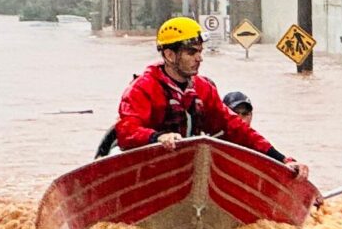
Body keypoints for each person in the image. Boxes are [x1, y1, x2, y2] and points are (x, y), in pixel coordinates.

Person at [112, 17, 302, 171]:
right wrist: (157, 137)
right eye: (191, 52)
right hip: (148, 166)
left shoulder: (204, 89)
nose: (199, 58)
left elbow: (235, 128)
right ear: (169, 55)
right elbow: (127, 131)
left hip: (189, 166)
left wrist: (282, 159)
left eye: (200, 52)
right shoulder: (142, 89)